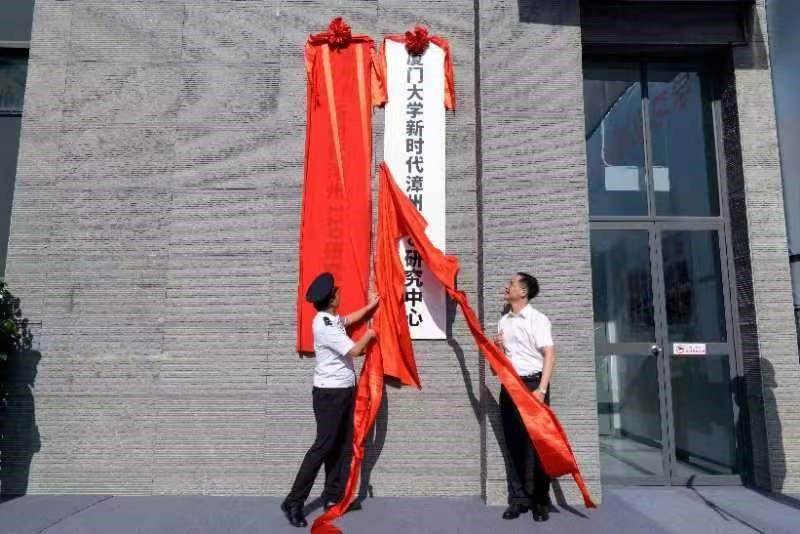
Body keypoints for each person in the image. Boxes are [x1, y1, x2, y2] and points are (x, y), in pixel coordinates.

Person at [281, 272, 379, 528]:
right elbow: (355, 350)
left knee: (342, 446)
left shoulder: (331, 319)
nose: (339, 292)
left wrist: (370, 307)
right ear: (332, 299)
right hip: (330, 395)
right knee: (323, 447)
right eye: (336, 291)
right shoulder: (324, 326)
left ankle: (333, 496)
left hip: (344, 391)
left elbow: (348, 320)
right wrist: (371, 333)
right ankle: (293, 501)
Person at [493, 272, 556, 522]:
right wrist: (497, 347)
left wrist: (541, 390)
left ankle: (540, 501)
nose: (506, 287)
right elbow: (497, 367)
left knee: (538, 445)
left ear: (523, 291)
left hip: (533, 385)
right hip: (510, 385)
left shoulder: (538, 319)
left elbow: (550, 355)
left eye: (511, 284)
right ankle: (518, 500)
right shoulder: (503, 322)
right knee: (514, 444)